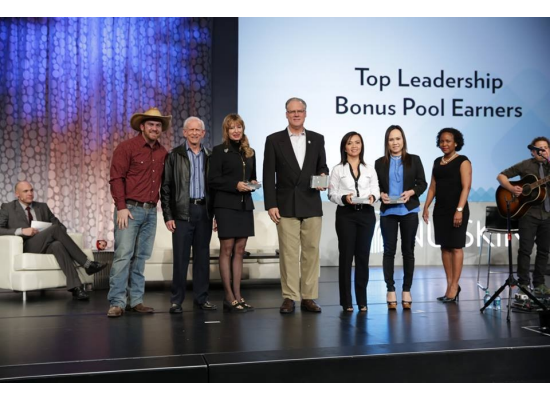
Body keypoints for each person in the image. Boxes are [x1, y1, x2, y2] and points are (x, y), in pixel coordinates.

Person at [263, 97, 329, 314]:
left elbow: (322, 166)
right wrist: (271, 204)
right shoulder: (274, 140)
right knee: (289, 254)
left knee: (311, 252)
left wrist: (323, 175)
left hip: (311, 202)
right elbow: (268, 174)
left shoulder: (317, 139)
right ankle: (290, 297)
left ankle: (308, 297)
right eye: (292, 111)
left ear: (305, 113)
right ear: (286, 114)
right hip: (285, 204)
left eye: (300, 111)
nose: (296, 114)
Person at [107, 107, 170, 317]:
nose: (155, 128)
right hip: (130, 210)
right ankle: (117, 302)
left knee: (140, 258)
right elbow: (116, 178)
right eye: (151, 124)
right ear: (142, 126)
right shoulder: (127, 147)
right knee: (123, 256)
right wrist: (121, 207)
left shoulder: (162, 152)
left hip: (151, 212)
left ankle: (135, 300)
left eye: (158, 125)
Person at [0, 181, 107, 300]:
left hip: (45, 243)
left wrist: (47, 232)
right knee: (54, 229)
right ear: (17, 194)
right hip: (26, 245)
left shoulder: (42, 207)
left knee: (57, 245)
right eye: (25, 191)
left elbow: (61, 227)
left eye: (31, 190)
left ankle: (76, 287)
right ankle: (87, 264)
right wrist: (21, 231)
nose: (30, 193)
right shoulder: (7, 207)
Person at [161, 116, 217, 314]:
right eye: (190, 130)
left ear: (203, 133)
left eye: (197, 130)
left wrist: (215, 214)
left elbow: (215, 189)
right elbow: (166, 188)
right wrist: (168, 215)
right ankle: (176, 300)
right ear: (184, 133)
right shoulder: (174, 156)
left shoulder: (210, 156)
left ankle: (201, 299)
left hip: (204, 211)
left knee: (202, 257)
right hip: (182, 212)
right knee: (181, 258)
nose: (194, 133)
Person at [375, 125, 427, 310]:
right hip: (388, 212)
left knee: (408, 251)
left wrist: (411, 192)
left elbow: (422, 183)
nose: (395, 142)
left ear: (403, 140)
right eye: (391, 139)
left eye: (398, 138)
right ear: (387, 142)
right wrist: (380, 194)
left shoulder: (414, 160)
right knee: (388, 251)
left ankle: (406, 290)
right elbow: (375, 186)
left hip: (409, 211)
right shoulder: (379, 163)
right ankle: (390, 289)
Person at [209, 114, 257, 313]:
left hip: (245, 206)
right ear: (226, 131)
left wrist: (253, 183)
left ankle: (238, 295)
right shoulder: (219, 151)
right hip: (226, 206)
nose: (236, 131)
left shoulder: (250, 152)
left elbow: (252, 177)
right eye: (232, 128)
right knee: (227, 250)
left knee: (240, 251)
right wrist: (234, 185)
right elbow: (213, 180)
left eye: (239, 127)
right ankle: (228, 297)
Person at [328, 132, 379, 312]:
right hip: (346, 215)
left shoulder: (369, 169)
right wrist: (344, 198)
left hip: (366, 215)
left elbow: (376, 190)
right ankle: (346, 301)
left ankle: (362, 300)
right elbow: (331, 194)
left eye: (357, 142)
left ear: (362, 146)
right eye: (350, 143)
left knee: (363, 258)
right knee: (346, 258)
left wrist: (373, 197)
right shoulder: (337, 169)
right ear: (344, 147)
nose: (354, 146)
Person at [422, 128, 472, 303]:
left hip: (457, 209)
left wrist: (459, 210)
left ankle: (454, 286)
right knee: (444, 247)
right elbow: (432, 187)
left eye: (448, 141)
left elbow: (466, 187)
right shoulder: (437, 162)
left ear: (456, 143)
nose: (444, 144)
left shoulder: (463, 161)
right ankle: (450, 284)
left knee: (456, 247)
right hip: (441, 210)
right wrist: (426, 206)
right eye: (442, 141)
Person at [497, 137, 550, 296]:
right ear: (533, 152)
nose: (543, 151)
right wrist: (511, 188)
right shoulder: (525, 165)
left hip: (547, 214)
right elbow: (501, 176)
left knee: (544, 251)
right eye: (539, 148)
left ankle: (539, 283)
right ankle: (524, 283)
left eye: (546, 147)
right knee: (525, 250)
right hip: (528, 214)